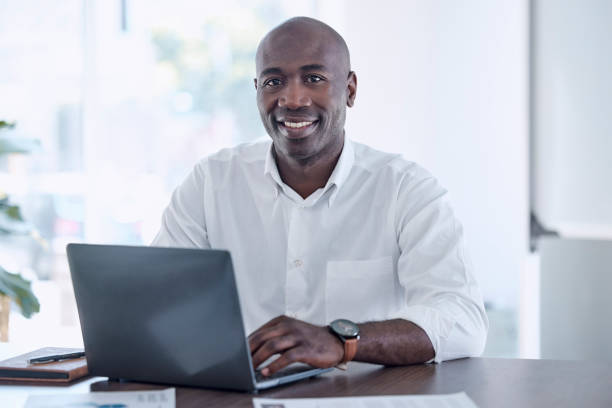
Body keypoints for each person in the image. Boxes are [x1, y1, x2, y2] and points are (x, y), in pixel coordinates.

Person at [152, 16, 488, 377]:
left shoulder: (406, 189)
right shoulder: (211, 182)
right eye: (273, 81)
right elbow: (154, 298)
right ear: (257, 91)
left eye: (314, 79)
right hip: (243, 396)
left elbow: (462, 320)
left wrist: (342, 341)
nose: (292, 99)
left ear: (350, 90)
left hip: (362, 397)